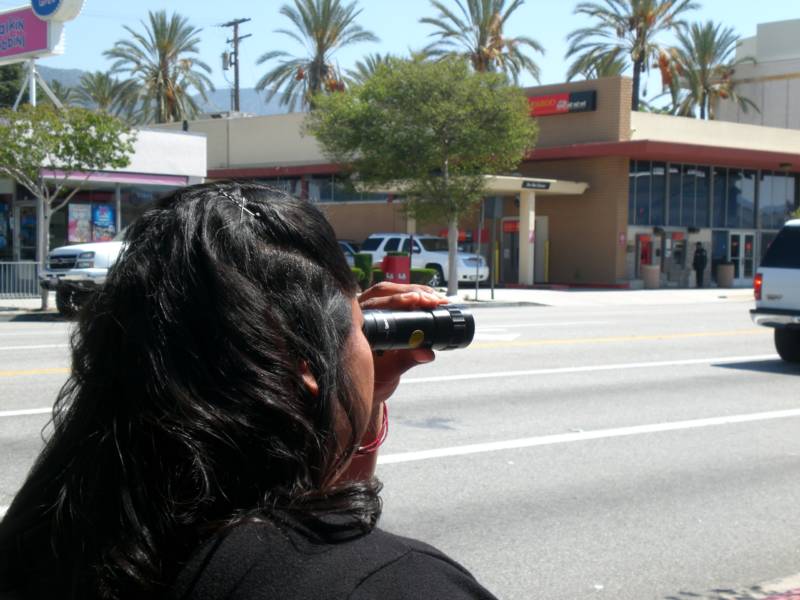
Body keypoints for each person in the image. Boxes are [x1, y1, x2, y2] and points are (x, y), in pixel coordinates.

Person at [0, 182, 498, 600]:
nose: (367, 342)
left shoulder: (46, 536)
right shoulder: (396, 585)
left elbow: (312, 500)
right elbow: (325, 534)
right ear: (308, 365)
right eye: (356, 326)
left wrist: (358, 403)